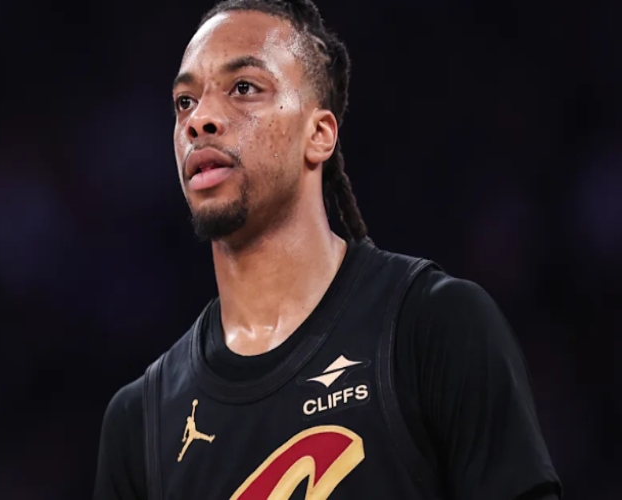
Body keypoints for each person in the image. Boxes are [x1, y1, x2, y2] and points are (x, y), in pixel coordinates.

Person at [93, 0, 562, 498]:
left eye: (244, 88)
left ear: (318, 135)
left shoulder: (434, 329)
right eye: (185, 101)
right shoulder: (139, 425)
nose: (200, 119)